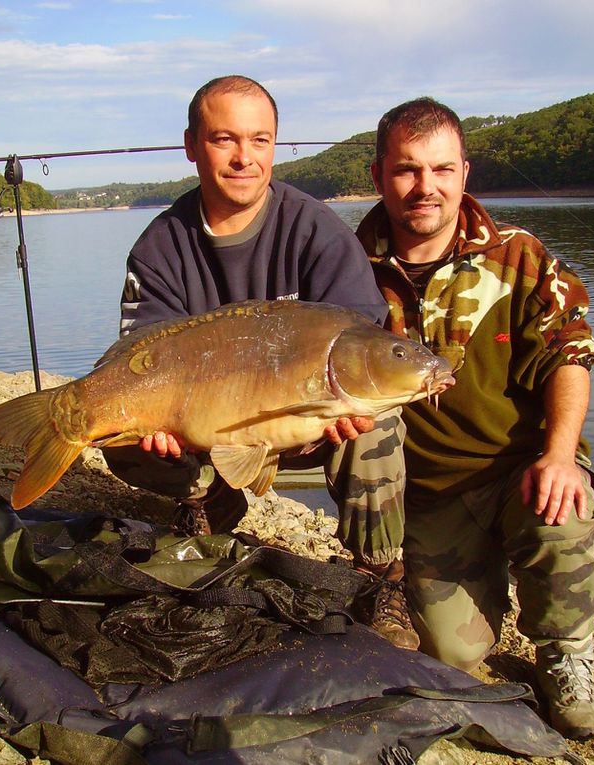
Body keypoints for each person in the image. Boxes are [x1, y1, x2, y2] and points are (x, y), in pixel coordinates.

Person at [103, 75, 416, 646]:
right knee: (117, 433)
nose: (244, 157)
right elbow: (139, 355)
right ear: (192, 145)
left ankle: (379, 573)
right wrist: (160, 424)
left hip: (312, 423)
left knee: (379, 421)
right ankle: (206, 505)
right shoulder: (160, 246)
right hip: (205, 429)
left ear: (274, 145)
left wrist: (335, 415)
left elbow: (364, 341)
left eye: (260, 140)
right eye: (225, 139)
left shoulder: (318, 230)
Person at [353, 96, 594, 739]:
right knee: (458, 657)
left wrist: (559, 454)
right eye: (407, 170)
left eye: (442, 169)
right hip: (433, 495)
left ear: (465, 172)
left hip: (520, 470)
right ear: (379, 175)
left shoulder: (520, 256)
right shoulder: (347, 266)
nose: (425, 187)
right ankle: (401, 571)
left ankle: (568, 652)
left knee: (563, 505)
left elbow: (570, 354)